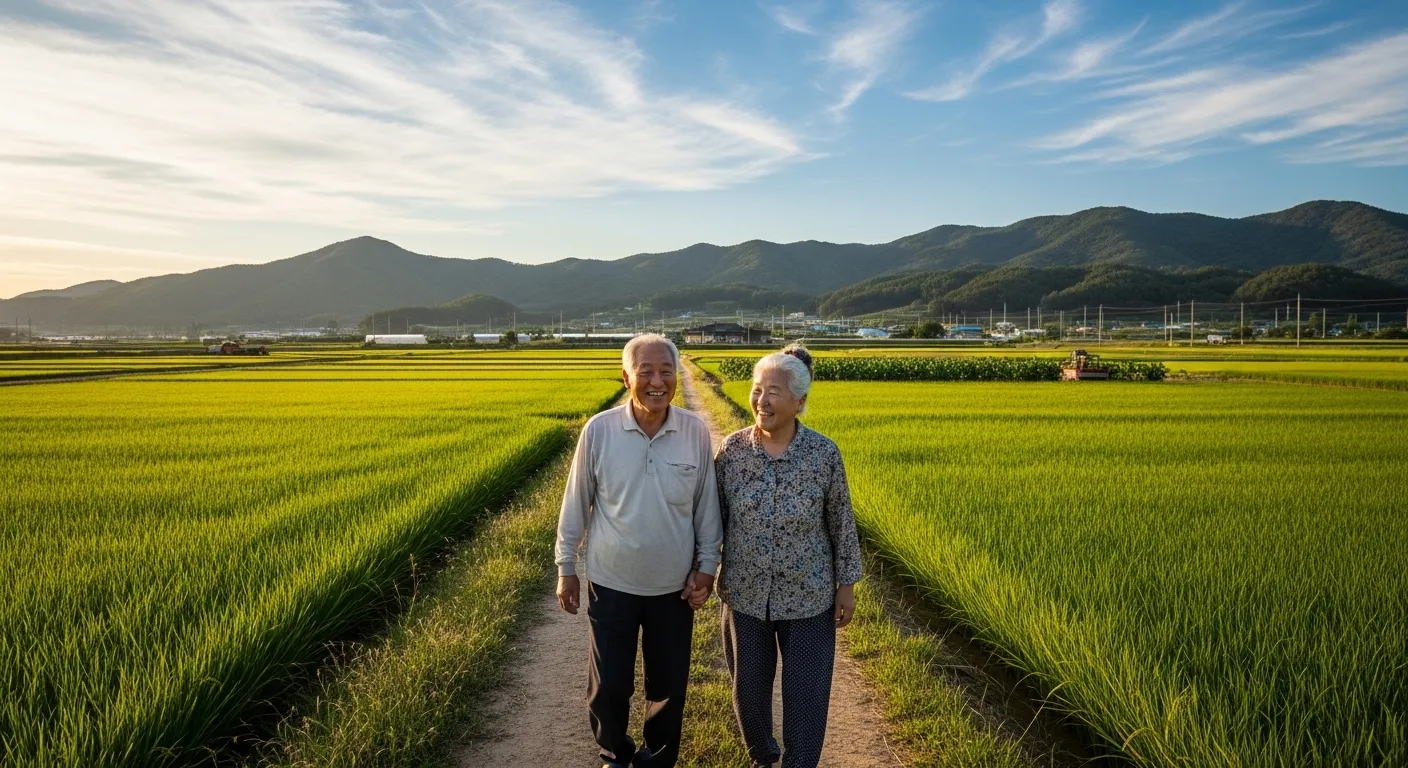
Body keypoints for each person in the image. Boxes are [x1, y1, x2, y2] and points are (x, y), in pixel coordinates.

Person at [556, 333, 722, 768]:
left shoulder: (694, 431)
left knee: (669, 684)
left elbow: (706, 505)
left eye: (666, 371)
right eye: (645, 371)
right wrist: (565, 567)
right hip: (612, 581)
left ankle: (657, 758)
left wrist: (707, 567)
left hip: (673, 585)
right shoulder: (600, 430)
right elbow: (576, 501)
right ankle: (614, 753)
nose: (657, 381)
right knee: (609, 684)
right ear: (625, 376)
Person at [713, 345, 863, 768]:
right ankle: (763, 757)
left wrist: (845, 587)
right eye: (757, 390)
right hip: (745, 595)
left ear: (800, 401)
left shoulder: (823, 454)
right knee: (749, 690)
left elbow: (841, 523)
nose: (762, 400)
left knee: (807, 691)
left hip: (810, 598)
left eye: (774, 391)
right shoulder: (732, 452)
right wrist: (701, 571)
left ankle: (800, 763)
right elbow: (712, 521)